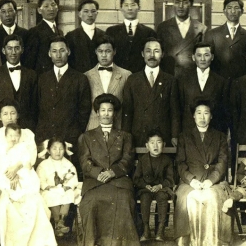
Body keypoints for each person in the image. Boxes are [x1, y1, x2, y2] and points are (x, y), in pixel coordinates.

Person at [78, 93, 140, 246]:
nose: (106, 114)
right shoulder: (86, 137)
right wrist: (98, 173)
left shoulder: (125, 136)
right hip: (95, 182)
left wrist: (113, 172)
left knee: (124, 201)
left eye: (110, 110)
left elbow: (128, 159)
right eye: (103, 110)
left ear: (115, 113)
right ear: (97, 113)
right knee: (91, 202)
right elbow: (84, 162)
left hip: (119, 181)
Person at [174, 99, 232, 246]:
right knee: (187, 198)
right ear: (193, 116)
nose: (202, 117)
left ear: (211, 116)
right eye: (198, 113)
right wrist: (191, 180)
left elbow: (222, 162)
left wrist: (211, 180)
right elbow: (180, 163)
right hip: (190, 181)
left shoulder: (220, 137)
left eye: (206, 113)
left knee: (213, 197)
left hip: (213, 181)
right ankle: (188, 240)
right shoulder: (184, 137)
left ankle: (212, 241)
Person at [0, 123, 56, 246]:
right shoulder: (2, 149)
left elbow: (28, 164)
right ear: (5, 136)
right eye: (10, 136)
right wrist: (11, 174)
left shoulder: (23, 147)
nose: (13, 138)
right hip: (6, 176)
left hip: (23, 175)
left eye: (16, 136)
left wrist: (18, 169)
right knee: (7, 198)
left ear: (20, 136)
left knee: (33, 199)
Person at [34, 37, 92, 160]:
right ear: (49, 54)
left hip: (70, 141)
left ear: (68, 52)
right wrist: (42, 139)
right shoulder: (42, 79)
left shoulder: (80, 79)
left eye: (62, 50)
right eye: (54, 51)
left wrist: (73, 137)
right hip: (45, 140)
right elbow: (37, 109)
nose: (58, 55)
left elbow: (84, 112)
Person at [122, 37, 180, 147]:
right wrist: (126, 138)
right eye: (148, 51)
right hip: (138, 137)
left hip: (162, 138)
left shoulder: (170, 80)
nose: (152, 55)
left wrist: (175, 136)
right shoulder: (133, 80)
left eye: (156, 51)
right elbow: (127, 112)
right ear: (142, 54)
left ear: (162, 54)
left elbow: (175, 112)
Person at [176, 42, 228, 134]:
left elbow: (223, 111)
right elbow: (178, 108)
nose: (202, 59)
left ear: (212, 57)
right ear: (193, 57)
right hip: (188, 133)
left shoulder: (221, 81)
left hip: (213, 132)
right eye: (199, 55)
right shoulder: (183, 80)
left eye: (206, 55)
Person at [134, 129, 175, 241]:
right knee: (145, 199)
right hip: (146, 189)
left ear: (164, 145)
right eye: (152, 143)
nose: (155, 145)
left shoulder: (167, 160)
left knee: (162, 198)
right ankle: (146, 229)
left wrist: (161, 186)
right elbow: (137, 178)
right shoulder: (142, 160)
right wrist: (145, 185)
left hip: (162, 189)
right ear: (147, 146)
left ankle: (160, 230)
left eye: (159, 142)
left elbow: (170, 178)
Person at [156, 0, 207, 78]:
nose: (180, 6)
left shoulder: (201, 29)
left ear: (191, 4)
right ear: (173, 4)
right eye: (177, 2)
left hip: (191, 80)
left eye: (185, 2)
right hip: (169, 78)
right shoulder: (163, 28)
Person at [0, 34, 37, 130]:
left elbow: (35, 106)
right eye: (9, 48)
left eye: (17, 48)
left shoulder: (32, 75)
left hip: (26, 128)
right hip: (2, 130)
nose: (13, 52)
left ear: (22, 50)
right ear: (3, 51)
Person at [203, 0, 246, 80]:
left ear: (242, 12)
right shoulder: (212, 35)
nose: (233, 11)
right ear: (224, 11)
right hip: (217, 83)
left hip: (240, 84)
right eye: (229, 8)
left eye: (236, 8)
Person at [84, 35, 131, 131]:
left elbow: (128, 106)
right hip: (93, 128)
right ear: (96, 52)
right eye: (100, 51)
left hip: (117, 128)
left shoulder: (126, 75)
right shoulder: (86, 76)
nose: (104, 55)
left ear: (114, 52)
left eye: (108, 51)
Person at [105, 0, 158, 73]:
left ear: (139, 7)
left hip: (141, 77)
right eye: (126, 5)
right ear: (121, 9)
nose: (129, 8)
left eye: (133, 5)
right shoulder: (111, 31)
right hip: (117, 76)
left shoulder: (149, 32)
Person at [37, 137, 79, 237]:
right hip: (49, 189)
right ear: (48, 150)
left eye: (61, 149)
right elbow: (40, 179)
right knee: (51, 195)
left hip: (64, 188)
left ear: (65, 150)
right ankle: (58, 222)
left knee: (68, 194)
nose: (58, 152)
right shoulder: (43, 165)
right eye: (54, 148)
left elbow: (73, 179)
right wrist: (47, 186)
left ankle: (60, 222)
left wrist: (68, 186)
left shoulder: (69, 164)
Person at [23, 0, 64, 74]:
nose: (51, 9)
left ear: (57, 8)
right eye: (46, 6)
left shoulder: (59, 32)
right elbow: (30, 62)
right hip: (42, 77)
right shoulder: (34, 32)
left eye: (53, 5)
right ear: (39, 10)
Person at [66, 0, 106, 73]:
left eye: (93, 11)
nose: (90, 15)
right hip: (79, 78)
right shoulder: (71, 36)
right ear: (79, 14)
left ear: (97, 13)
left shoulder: (104, 35)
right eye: (86, 11)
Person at [0, 0, 29, 65]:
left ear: (16, 12)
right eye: (3, 12)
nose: (7, 14)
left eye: (10, 11)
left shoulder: (26, 33)